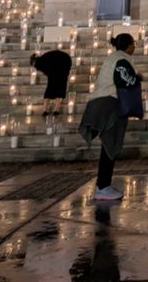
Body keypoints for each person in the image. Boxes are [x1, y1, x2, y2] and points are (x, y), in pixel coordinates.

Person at [79, 33, 140, 201]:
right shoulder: (122, 59)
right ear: (128, 45)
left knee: (109, 145)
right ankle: (103, 186)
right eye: (133, 44)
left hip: (101, 102)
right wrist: (137, 78)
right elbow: (124, 80)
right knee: (110, 144)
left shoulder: (113, 57)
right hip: (110, 104)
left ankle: (104, 184)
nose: (135, 47)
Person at [31, 49, 72, 118]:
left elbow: (48, 72)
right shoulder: (43, 59)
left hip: (62, 65)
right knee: (60, 88)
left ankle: (46, 109)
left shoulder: (40, 62)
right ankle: (55, 109)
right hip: (63, 64)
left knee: (52, 89)